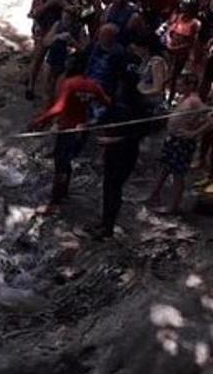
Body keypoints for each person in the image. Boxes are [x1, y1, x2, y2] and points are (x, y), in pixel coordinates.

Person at [31, 56, 111, 205]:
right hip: (82, 129)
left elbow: (59, 107)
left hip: (67, 129)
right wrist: (96, 121)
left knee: (60, 164)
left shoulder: (70, 84)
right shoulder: (93, 86)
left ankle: (55, 200)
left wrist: (40, 120)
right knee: (67, 161)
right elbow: (108, 103)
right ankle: (64, 192)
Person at [94, 69, 151, 239]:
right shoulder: (119, 102)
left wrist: (114, 140)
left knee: (114, 188)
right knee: (107, 186)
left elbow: (139, 133)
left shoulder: (137, 106)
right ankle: (105, 221)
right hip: (113, 151)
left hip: (125, 152)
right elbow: (105, 118)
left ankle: (108, 227)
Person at [147, 73, 207, 214]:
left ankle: (172, 206)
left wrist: (195, 132)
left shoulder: (194, 101)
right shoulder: (184, 98)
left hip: (183, 142)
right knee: (164, 168)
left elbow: (210, 119)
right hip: (173, 139)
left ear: (190, 86)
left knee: (177, 174)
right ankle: (153, 195)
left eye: (181, 84)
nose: (178, 87)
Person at [26, 0, 78, 99]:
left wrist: (62, 4)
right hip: (43, 29)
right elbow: (33, 13)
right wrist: (48, 4)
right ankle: (30, 85)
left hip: (62, 30)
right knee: (38, 57)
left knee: (61, 62)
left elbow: (77, 11)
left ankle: (57, 89)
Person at [41, 7, 85, 97]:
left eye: (68, 18)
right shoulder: (57, 25)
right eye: (64, 17)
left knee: (59, 91)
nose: (66, 21)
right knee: (47, 89)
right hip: (52, 58)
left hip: (66, 61)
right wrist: (57, 37)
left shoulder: (79, 28)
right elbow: (45, 42)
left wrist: (72, 41)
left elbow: (83, 49)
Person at [164, 0, 202, 102]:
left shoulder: (195, 23)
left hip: (181, 54)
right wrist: (168, 41)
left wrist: (177, 48)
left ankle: (170, 98)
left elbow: (191, 43)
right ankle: (163, 94)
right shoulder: (179, 17)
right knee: (166, 72)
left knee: (175, 75)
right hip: (170, 49)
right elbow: (170, 30)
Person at [86, 23, 127, 98]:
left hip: (105, 85)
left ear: (112, 37)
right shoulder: (96, 47)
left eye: (104, 35)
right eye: (100, 34)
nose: (99, 37)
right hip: (91, 81)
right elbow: (90, 66)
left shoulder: (118, 51)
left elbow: (116, 74)